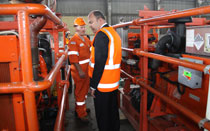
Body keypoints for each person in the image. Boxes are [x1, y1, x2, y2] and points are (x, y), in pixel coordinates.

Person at [88, 10, 122, 131]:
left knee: (103, 117)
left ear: (100, 20)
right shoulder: (113, 33)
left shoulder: (101, 35)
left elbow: (99, 63)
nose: (90, 25)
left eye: (91, 22)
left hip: (102, 84)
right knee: (113, 114)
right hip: (113, 83)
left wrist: (93, 86)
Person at [68, 17, 91, 122]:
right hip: (79, 71)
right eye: (81, 27)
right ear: (76, 28)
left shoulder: (86, 39)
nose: (83, 29)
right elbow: (73, 58)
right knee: (80, 91)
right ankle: (81, 114)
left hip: (87, 70)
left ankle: (82, 108)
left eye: (84, 27)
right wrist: (80, 71)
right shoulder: (73, 41)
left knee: (85, 90)